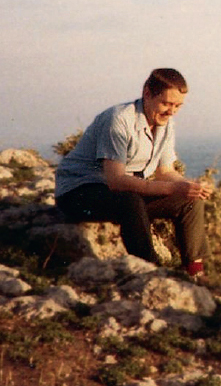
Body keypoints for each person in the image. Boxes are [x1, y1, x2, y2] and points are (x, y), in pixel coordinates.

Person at [54, 68, 211, 277]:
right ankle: (150, 272)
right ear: (147, 93)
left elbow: (165, 171)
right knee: (129, 201)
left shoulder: (165, 122)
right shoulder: (118, 120)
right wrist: (173, 187)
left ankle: (195, 272)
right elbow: (116, 181)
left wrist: (189, 187)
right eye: (166, 103)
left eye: (177, 106)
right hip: (79, 193)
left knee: (190, 199)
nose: (171, 111)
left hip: (122, 194)